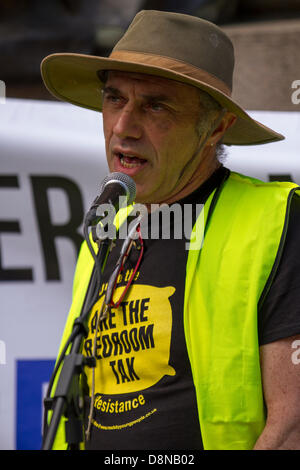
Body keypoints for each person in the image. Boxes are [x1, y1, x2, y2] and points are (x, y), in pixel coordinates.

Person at [41, 10, 300, 450]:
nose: (123, 126)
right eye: (114, 98)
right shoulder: (108, 230)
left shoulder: (277, 220)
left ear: (216, 126)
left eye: (155, 105)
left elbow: (291, 425)